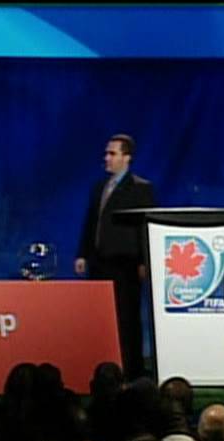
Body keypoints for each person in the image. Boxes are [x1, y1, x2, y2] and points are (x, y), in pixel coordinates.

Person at [75, 134, 155, 379]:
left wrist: (144, 261)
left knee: (127, 315)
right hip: (99, 261)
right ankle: (101, 365)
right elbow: (91, 222)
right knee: (100, 315)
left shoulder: (140, 188)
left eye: (112, 153)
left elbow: (145, 227)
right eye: (106, 153)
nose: (106, 158)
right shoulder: (100, 187)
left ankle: (132, 368)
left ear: (127, 157)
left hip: (126, 263)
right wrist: (83, 254)